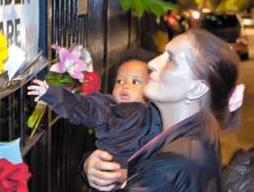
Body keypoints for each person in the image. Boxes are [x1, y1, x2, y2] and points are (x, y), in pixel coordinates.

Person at [82, 29, 244, 191]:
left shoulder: (173, 165)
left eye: (171, 59)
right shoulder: (195, 128)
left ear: (196, 89)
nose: (152, 63)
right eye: (163, 54)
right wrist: (89, 164)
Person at [27, 51, 161, 168]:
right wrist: (52, 94)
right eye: (119, 81)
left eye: (135, 82)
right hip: (109, 172)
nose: (125, 86)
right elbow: (83, 106)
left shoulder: (156, 112)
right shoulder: (107, 108)